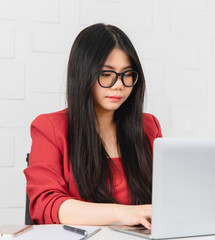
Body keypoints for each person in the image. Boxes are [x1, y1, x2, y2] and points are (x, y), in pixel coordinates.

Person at [23, 23, 162, 229]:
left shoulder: (148, 126)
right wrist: (122, 213)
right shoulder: (49, 127)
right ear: (83, 75)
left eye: (127, 74)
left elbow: (167, 195)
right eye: (106, 74)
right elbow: (47, 205)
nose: (119, 85)